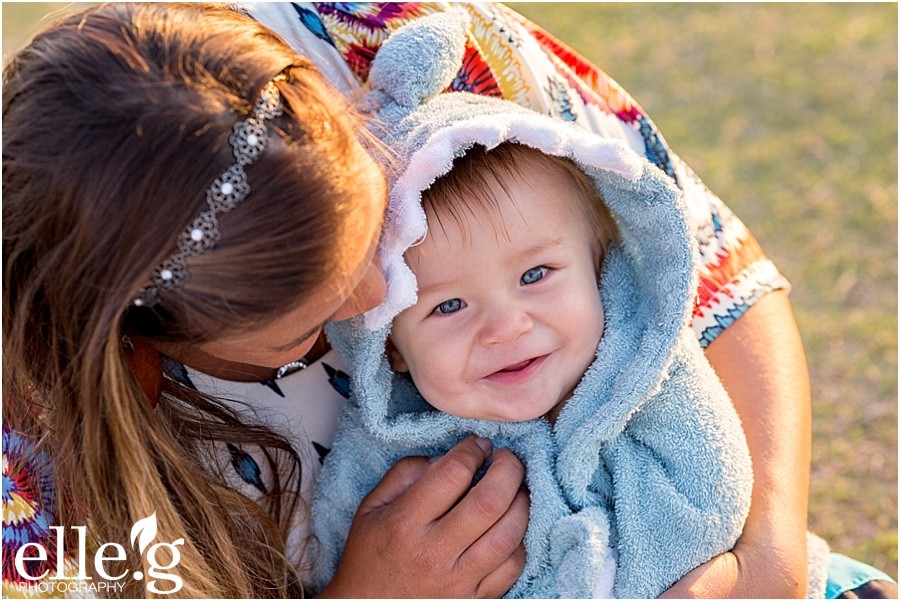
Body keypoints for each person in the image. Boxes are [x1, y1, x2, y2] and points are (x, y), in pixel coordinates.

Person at [2, 2, 893, 599]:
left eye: (371, 231)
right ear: (147, 337)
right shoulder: (30, 491)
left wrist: (769, 563)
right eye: (311, 322)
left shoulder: (374, 33)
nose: (381, 297)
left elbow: (713, 269)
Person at [307, 13, 833, 598]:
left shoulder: (648, 379)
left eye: (535, 275)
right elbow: (329, 557)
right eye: (449, 306)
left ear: (600, 268)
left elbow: (712, 509)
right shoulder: (385, 461)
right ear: (391, 350)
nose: (507, 327)